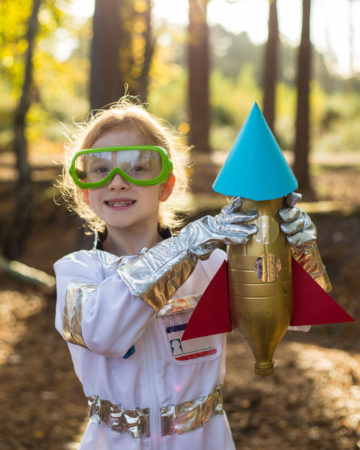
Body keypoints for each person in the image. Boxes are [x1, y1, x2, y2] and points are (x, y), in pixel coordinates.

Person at [54, 98, 328, 450]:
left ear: (166, 185)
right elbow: (104, 334)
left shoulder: (211, 265)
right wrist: (187, 246)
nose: (117, 182)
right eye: (99, 169)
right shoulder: (76, 273)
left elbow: (297, 316)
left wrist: (297, 249)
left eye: (139, 167)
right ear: (84, 191)